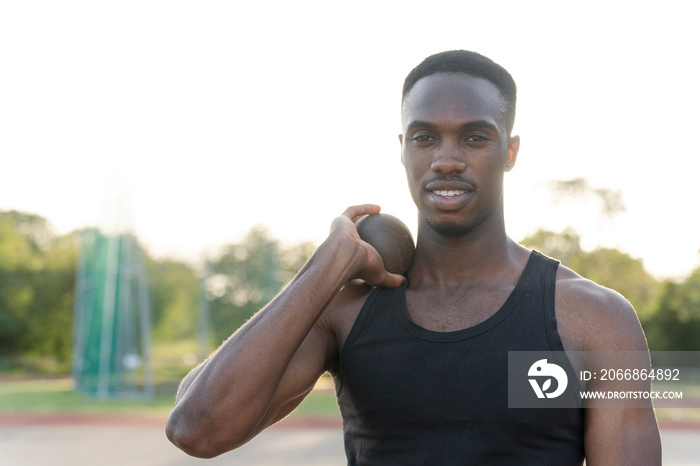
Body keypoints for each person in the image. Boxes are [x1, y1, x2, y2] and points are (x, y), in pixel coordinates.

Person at [166, 50, 661, 465]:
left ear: (509, 151)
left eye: (474, 137)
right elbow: (199, 429)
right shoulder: (344, 310)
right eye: (424, 137)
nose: (446, 159)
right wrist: (325, 267)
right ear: (403, 149)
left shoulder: (599, 319)